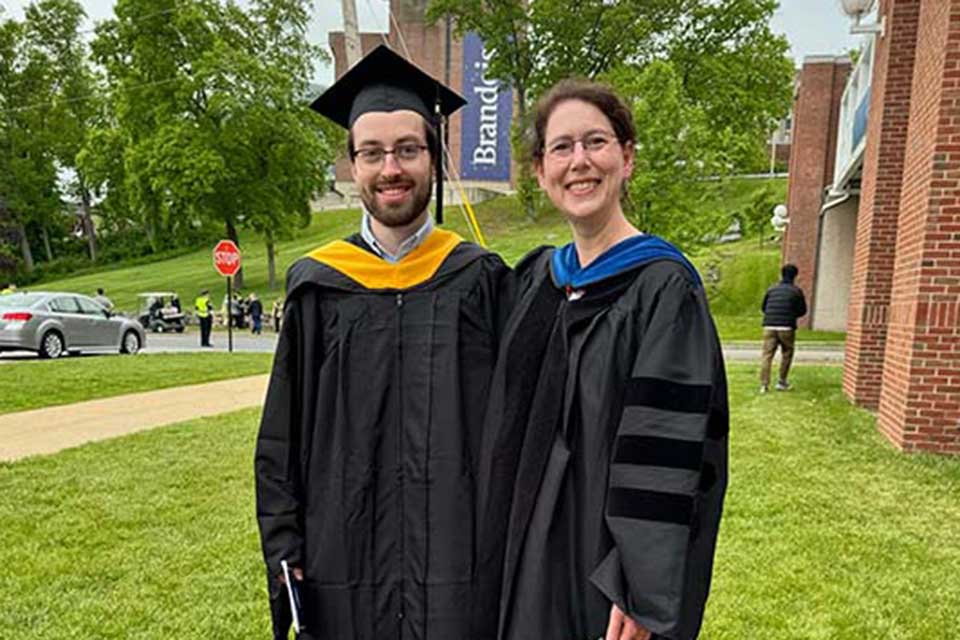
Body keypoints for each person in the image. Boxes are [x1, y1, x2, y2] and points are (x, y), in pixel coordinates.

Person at [254, 45, 510, 640]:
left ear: (433, 160)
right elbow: (281, 439)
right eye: (372, 153)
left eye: (407, 150)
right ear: (352, 163)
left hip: (456, 560)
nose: (390, 167)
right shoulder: (318, 286)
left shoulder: (480, 280)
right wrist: (284, 545)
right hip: (341, 558)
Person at [475, 79, 728, 640]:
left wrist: (637, 583)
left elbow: (669, 448)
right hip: (523, 550)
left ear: (627, 157)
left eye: (596, 142)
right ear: (540, 171)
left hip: (600, 571)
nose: (579, 161)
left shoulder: (663, 289)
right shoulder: (538, 280)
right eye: (561, 147)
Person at [759, 263, 807, 392]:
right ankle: (781, 382)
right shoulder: (796, 291)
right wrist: (792, 314)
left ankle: (764, 384)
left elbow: (763, 307)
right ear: (795, 276)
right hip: (786, 326)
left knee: (767, 355)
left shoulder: (771, 289)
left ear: (781, 274)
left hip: (769, 325)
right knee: (787, 353)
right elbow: (802, 311)